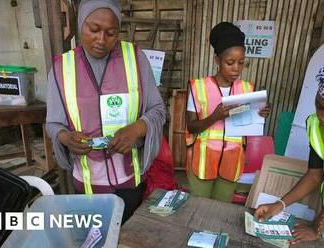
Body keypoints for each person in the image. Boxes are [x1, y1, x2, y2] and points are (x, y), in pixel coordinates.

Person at [46, 0, 166, 223]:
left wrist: (137, 128)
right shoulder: (62, 67)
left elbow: (158, 109)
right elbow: (53, 123)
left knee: (128, 237)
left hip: (130, 179)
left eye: (111, 33)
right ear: (80, 24)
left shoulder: (136, 59)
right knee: (95, 236)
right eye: (93, 30)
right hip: (88, 183)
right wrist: (66, 138)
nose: (101, 40)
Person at [185, 22, 270, 202]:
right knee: (198, 210)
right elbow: (191, 127)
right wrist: (215, 116)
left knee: (220, 213)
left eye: (241, 63)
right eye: (230, 63)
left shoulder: (247, 89)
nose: (236, 69)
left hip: (232, 163)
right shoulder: (198, 87)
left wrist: (259, 115)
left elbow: (249, 125)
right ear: (217, 60)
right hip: (202, 163)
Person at [255, 67, 324, 244]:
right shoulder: (314, 124)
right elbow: (314, 175)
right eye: (319, 106)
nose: (322, 117)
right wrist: (279, 206)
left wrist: (316, 227)